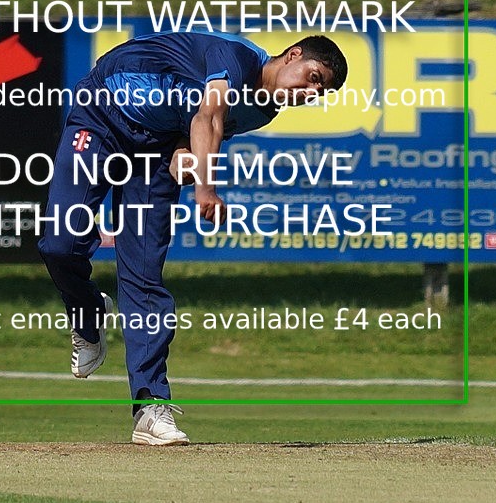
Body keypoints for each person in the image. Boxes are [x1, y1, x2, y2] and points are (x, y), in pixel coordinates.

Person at [38, 32, 347, 445]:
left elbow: (197, 125)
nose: (310, 92)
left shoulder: (266, 111)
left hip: (155, 151)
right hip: (102, 115)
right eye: (311, 77)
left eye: (320, 91)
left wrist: (183, 150)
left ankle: (151, 407)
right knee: (59, 244)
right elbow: (210, 117)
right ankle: (87, 311)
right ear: (292, 55)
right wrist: (205, 188)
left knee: (144, 276)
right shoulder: (235, 58)